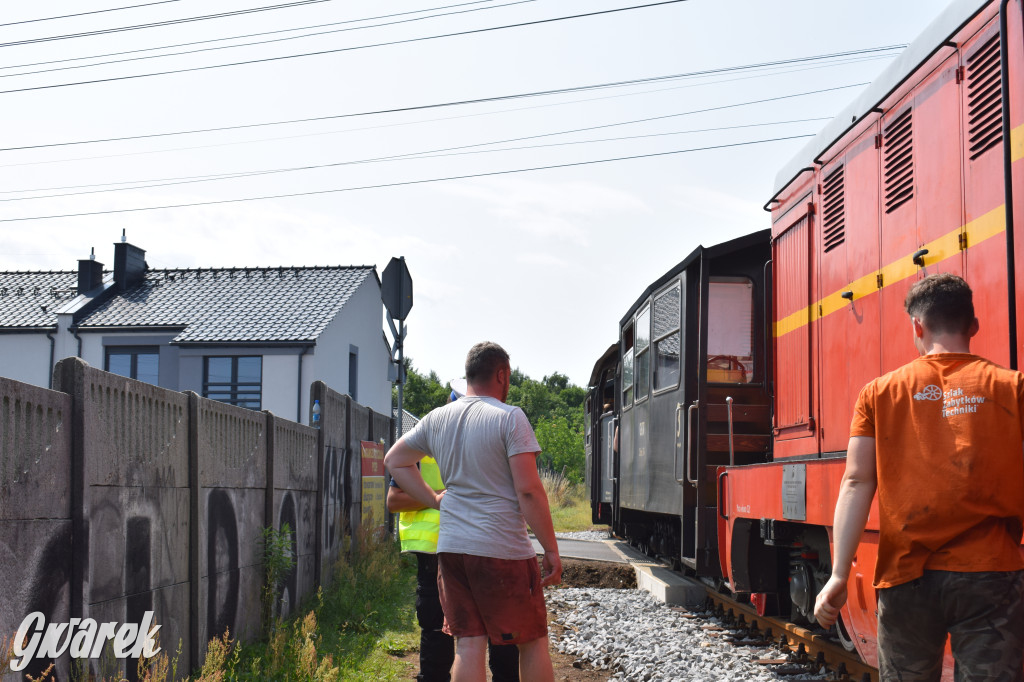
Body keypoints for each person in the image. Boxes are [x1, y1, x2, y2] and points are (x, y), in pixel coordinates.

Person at [813, 273, 1024, 681]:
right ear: (973, 326)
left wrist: (840, 574)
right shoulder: (1013, 388)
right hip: (992, 575)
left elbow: (857, 483)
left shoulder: (878, 393)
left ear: (917, 326)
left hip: (906, 576)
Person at [384, 341, 561, 682]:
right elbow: (527, 489)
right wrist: (550, 549)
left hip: (451, 549)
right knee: (532, 641)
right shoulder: (510, 418)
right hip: (502, 550)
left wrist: (435, 499)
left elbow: (394, 460)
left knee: (468, 645)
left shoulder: (437, 418)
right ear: (501, 374)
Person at [387, 385, 520, 682]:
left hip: (486, 547)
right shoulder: (425, 440)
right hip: (435, 550)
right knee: (438, 630)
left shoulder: (497, 437)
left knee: (498, 631)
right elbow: (393, 500)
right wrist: (438, 496)